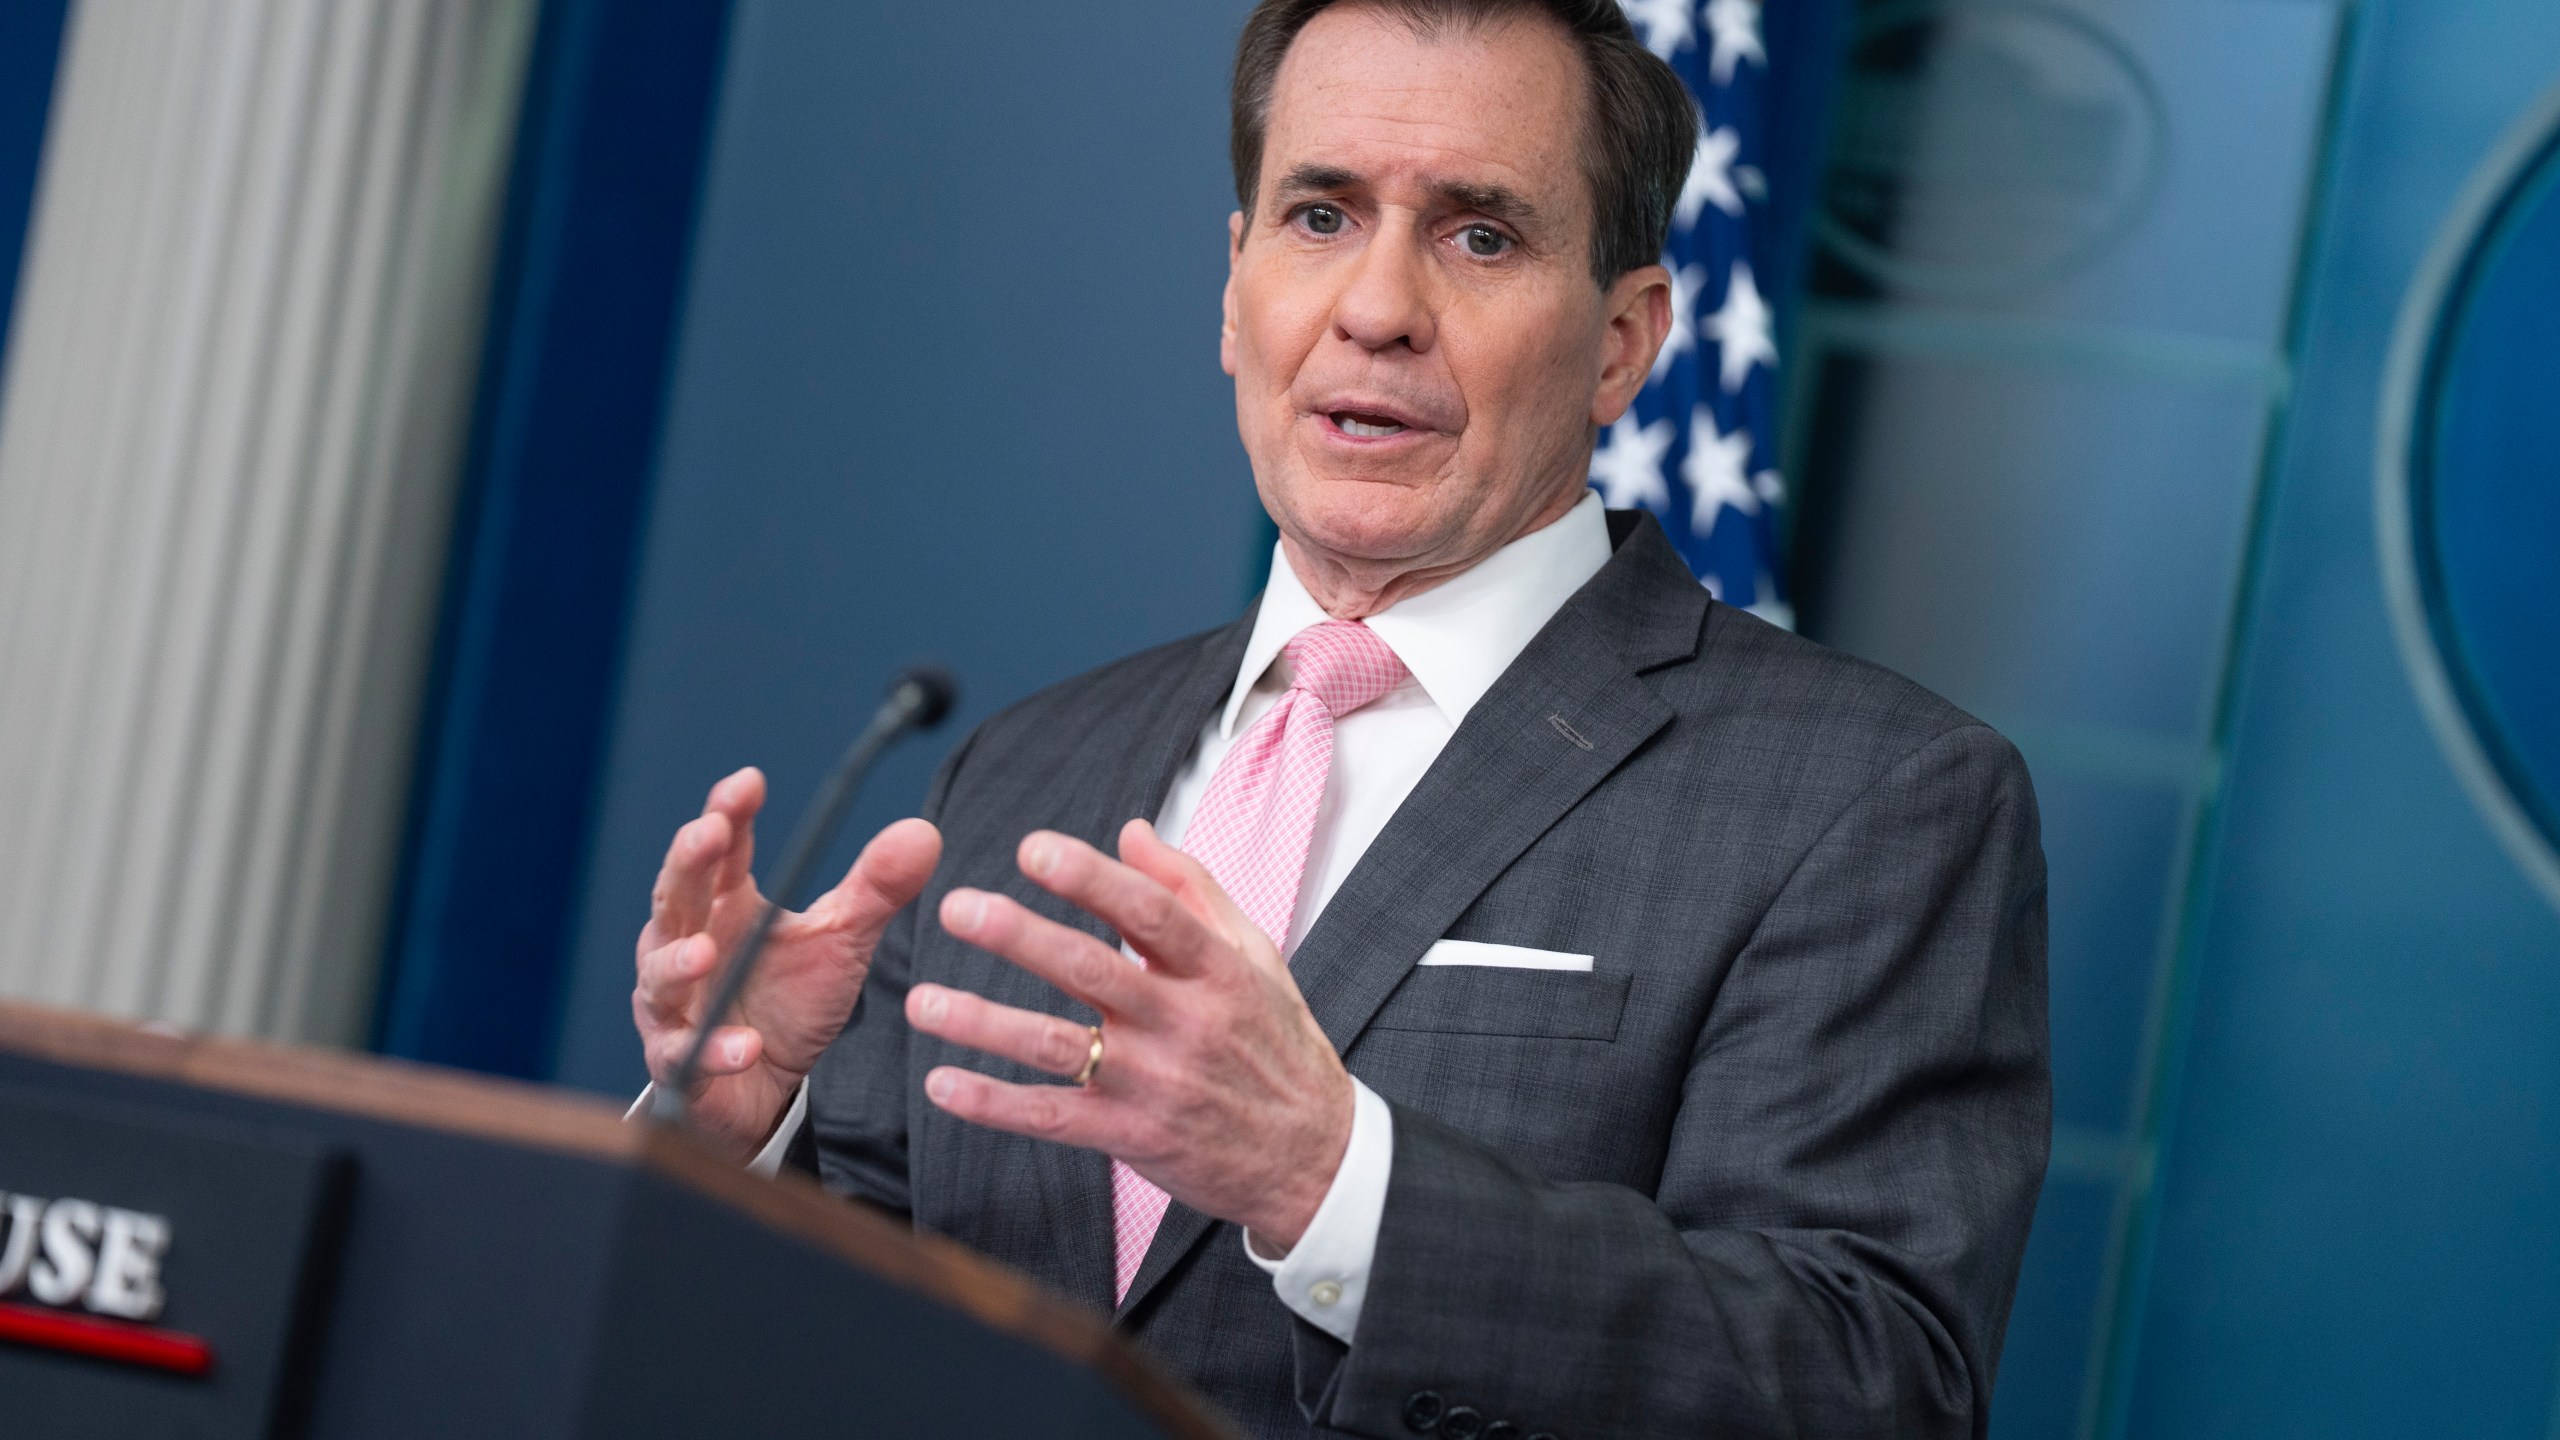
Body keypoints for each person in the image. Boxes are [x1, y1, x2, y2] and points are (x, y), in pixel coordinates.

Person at [630, 1, 2049, 1435]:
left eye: (1479, 235)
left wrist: (1333, 1181)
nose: (1376, 309)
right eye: (1320, 216)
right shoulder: (1029, 767)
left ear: (1623, 344)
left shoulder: (1875, 798)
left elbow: (1874, 1388)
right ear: (1234, 289)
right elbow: (879, 1305)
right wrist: (744, 1142)